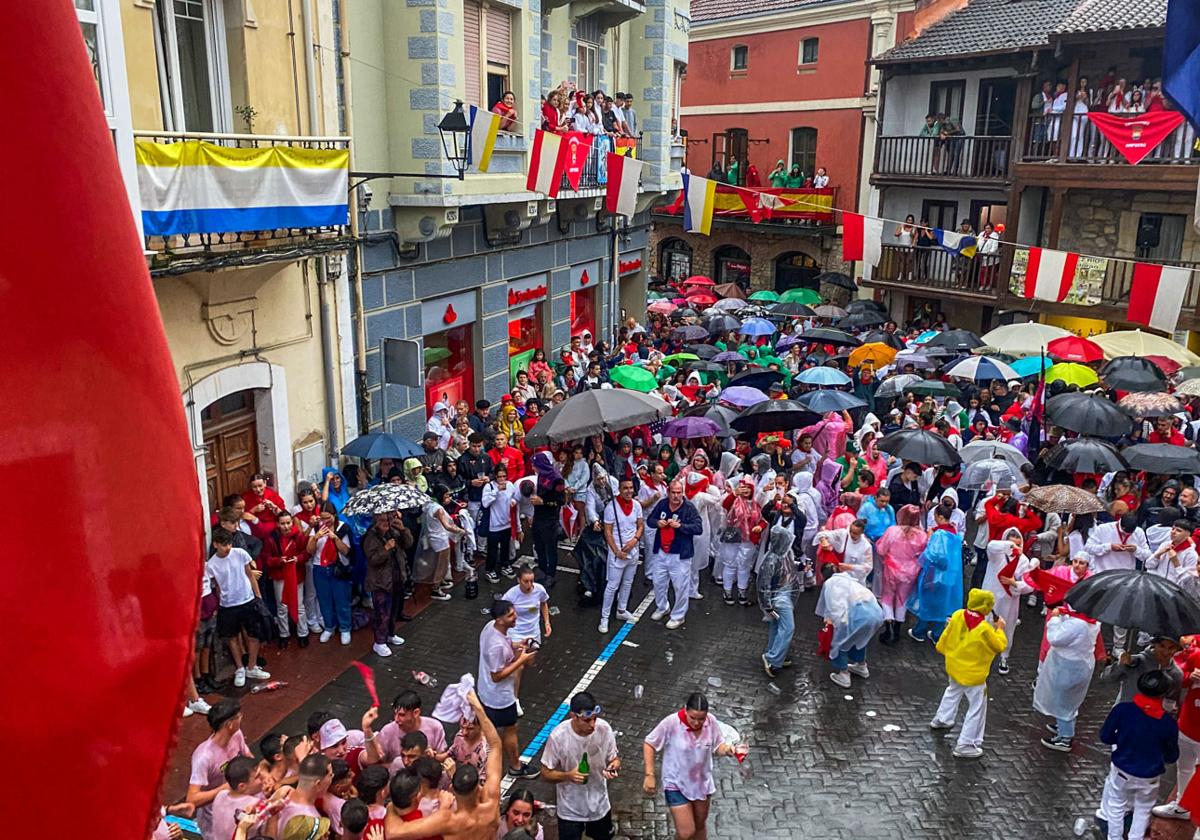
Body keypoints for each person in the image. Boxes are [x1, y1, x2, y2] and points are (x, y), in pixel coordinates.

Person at [383, 691, 506, 839]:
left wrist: (391, 806)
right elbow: (496, 745)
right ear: (479, 788)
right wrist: (478, 709)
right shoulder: (491, 802)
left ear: (452, 788)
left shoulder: (447, 820)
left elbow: (393, 833)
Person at [1095, 671, 1180, 840]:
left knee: (1116, 805)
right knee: (1143, 810)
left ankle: (1114, 837)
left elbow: (1106, 736)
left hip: (1122, 771)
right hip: (1150, 777)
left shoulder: (1122, 710)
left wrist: (1121, 741)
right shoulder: (1168, 723)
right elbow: (1172, 756)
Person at [643, 692, 737, 840]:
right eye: (693, 718)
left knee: (699, 826)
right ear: (685, 709)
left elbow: (718, 745)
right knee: (686, 833)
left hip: (702, 784)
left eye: (701, 719)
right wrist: (650, 774)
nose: (697, 723)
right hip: (675, 783)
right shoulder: (671, 723)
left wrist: (728, 750)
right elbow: (650, 743)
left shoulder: (711, 722)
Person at [930, 588, 1006, 759]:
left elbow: (944, 639)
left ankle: (942, 718)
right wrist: (1000, 629)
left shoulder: (957, 615)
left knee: (953, 690)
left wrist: (944, 650)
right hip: (974, 674)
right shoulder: (985, 629)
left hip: (954, 666)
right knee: (977, 707)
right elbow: (999, 646)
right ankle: (966, 743)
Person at [540, 692, 620, 840]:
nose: (593, 725)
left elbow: (614, 758)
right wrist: (568, 775)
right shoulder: (558, 737)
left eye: (595, 719)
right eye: (587, 720)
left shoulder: (604, 729)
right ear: (573, 716)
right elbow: (545, 773)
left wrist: (613, 767)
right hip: (570, 809)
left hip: (599, 804)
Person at [478, 599, 540, 778]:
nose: (515, 617)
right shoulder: (496, 646)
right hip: (500, 697)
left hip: (485, 691)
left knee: (487, 729)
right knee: (510, 729)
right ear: (500, 620)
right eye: (510, 615)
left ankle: (483, 764)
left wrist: (517, 644)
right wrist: (520, 660)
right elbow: (497, 676)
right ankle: (515, 766)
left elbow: (504, 644)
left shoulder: (490, 627)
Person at [207, 529, 271, 688]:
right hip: (228, 605)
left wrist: (258, 597)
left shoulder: (240, 553)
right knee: (232, 638)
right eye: (223, 545)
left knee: (254, 635)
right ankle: (240, 668)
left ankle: (251, 666)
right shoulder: (212, 564)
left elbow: (250, 575)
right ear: (215, 545)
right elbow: (216, 586)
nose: (227, 548)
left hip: (247, 600)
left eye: (228, 544)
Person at [1035, 607, 1103, 752]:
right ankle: (1062, 725)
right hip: (1078, 665)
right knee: (1067, 699)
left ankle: (1065, 737)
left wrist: (1054, 619)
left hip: (1068, 667)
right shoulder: (1091, 620)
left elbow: (1055, 638)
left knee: (1064, 700)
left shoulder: (1077, 624)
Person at [187, 699, 254, 834]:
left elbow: (248, 757)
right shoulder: (203, 757)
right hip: (214, 818)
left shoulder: (236, 735)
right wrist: (226, 788)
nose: (241, 719)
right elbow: (192, 799)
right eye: (239, 717)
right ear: (229, 724)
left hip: (237, 806)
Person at [647, 479, 705, 629]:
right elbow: (650, 520)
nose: (676, 496)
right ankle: (662, 607)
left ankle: (678, 616)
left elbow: (698, 528)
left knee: (680, 587)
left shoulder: (689, 508)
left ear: (683, 492)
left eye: (679, 492)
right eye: (673, 492)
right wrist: (657, 523)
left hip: (680, 555)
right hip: (661, 551)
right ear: (668, 492)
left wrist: (681, 526)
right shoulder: (662, 504)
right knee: (658, 583)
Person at [816, 561, 884, 687]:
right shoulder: (849, 579)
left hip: (859, 615)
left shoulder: (831, 583)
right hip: (876, 613)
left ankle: (843, 673)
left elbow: (836, 607)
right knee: (859, 639)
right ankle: (861, 666)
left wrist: (836, 627)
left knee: (840, 642)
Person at [906, 504, 964, 642]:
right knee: (942, 605)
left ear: (939, 516)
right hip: (949, 577)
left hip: (935, 575)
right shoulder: (954, 532)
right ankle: (937, 634)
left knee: (927, 603)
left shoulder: (938, 534)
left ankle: (919, 631)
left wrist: (930, 539)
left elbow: (934, 556)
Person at [982, 526, 1036, 674]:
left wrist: (1014, 583)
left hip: (1009, 600)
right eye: (1012, 543)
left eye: (1018, 543)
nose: (1016, 547)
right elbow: (991, 546)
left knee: (1007, 627)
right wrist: (1009, 546)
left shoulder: (1024, 560)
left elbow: (1030, 585)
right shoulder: (997, 554)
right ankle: (983, 653)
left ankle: (1004, 656)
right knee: (986, 624)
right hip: (990, 595)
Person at [875, 504, 928, 644]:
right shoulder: (922, 536)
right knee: (902, 600)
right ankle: (897, 629)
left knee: (887, 597)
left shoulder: (892, 531)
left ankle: (888, 626)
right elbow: (924, 555)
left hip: (891, 569)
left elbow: (881, 549)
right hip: (910, 573)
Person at [599, 476, 644, 633]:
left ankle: (621, 610)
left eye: (631, 488)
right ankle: (604, 617)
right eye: (625, 488)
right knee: (612, 586)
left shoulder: (637, 505)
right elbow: (608, 532)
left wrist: (635, 540)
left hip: (633, 550)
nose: (629, 491)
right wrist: (617, 551)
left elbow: (640, 525)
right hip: (617, 553)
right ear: (619, 489)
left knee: (628, 582)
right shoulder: (611, 507)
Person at [758, 523, 801, 677]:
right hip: (779, 600)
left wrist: (801, 566)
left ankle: (776, 654)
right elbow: (764, 584)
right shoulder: (771, 560)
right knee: (788, 628)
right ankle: (773, 658)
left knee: (777, 627)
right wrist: (767, 605)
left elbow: (790, 566)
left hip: (784, 596)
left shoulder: (783, 555)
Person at [307, 506, 355, 644]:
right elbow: (309, 551)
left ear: (334, 515)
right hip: (320, 568)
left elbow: (347, 552)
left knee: (341, 600)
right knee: (324, 600)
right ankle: (329, 627)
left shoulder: (343, 528)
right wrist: (315, 538)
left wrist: (335, 538)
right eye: (322, 518)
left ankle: (345, 628)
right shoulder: (317, 528)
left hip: (338, 568)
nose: (325, 521)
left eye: (328, 518)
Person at [277, 754, 333, 838]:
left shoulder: (282, 794)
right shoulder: (311, 822)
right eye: (330, 775)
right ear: (318, 784)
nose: (333, 777)